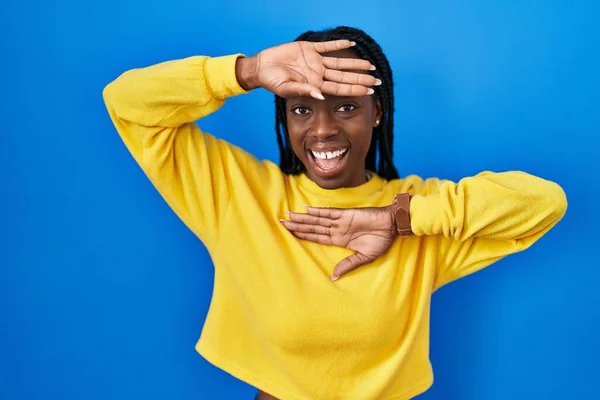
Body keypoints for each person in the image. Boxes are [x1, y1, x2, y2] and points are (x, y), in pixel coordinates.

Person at [103, 26, 567, 400]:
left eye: (346, 107)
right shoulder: (237, 194)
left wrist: (396, 220)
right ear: (284, 118)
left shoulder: (418, 208)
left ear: (377, 113)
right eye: (302, 108)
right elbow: (126, 101)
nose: (322, 130)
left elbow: (546, 203)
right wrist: (248, 71)